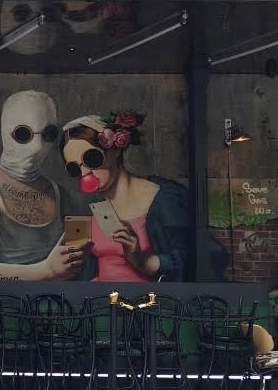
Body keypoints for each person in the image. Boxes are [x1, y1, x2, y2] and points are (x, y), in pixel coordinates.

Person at [58, 112, 194, 282]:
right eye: (74, 168)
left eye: (91, 158)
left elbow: (195, 262)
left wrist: (142, 260)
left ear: (115, 150)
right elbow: (75, 273)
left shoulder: (164, 198)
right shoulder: (88, 211)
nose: (85, 173)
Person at [0, 90, 85, 281]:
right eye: (23, 134)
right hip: (5, 303)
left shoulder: (62, 195)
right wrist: (45, 272)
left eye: (48, 134)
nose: (37, 147)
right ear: (4, 133)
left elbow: (77, 265)